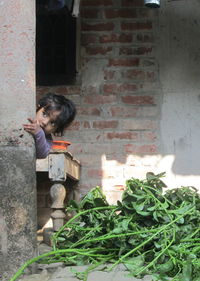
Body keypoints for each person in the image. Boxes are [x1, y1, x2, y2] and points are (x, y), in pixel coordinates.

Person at [23, 92, 76, 159]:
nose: (45, 122)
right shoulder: (25, 117)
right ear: (38, 108)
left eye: (53, 123)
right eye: (44, 114)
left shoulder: (47, 138)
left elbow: (42, 154)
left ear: (57, 129)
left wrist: (39, 133)